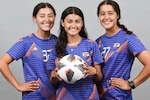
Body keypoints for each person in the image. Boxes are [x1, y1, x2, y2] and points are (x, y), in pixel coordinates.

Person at [0, 2, 58, 100]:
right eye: (42, 16)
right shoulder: (26, 42)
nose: (47, 20)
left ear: (54, 18)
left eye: (50, 16)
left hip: (56, 96)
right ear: (35, 18)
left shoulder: (59, 42)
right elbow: (2, 62)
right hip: (34, 96)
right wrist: (18, 86)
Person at [96, 0, 150, 100]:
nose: (106, 17)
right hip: (98, 96)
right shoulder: (97, 42)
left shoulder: (128, 39)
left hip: (119, 97)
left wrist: (132, 84)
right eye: (102, 14)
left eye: (110, 13)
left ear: (118, 15)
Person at [47, 6, 103, 100]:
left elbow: (99, 77)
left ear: (82, 23)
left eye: (77, 21)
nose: (73, 25)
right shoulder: (56, 48)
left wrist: (94, 71)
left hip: (89, 97)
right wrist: (54, 76)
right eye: (69, 21)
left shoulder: (91, 45)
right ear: (62, 23)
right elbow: (53, 82)